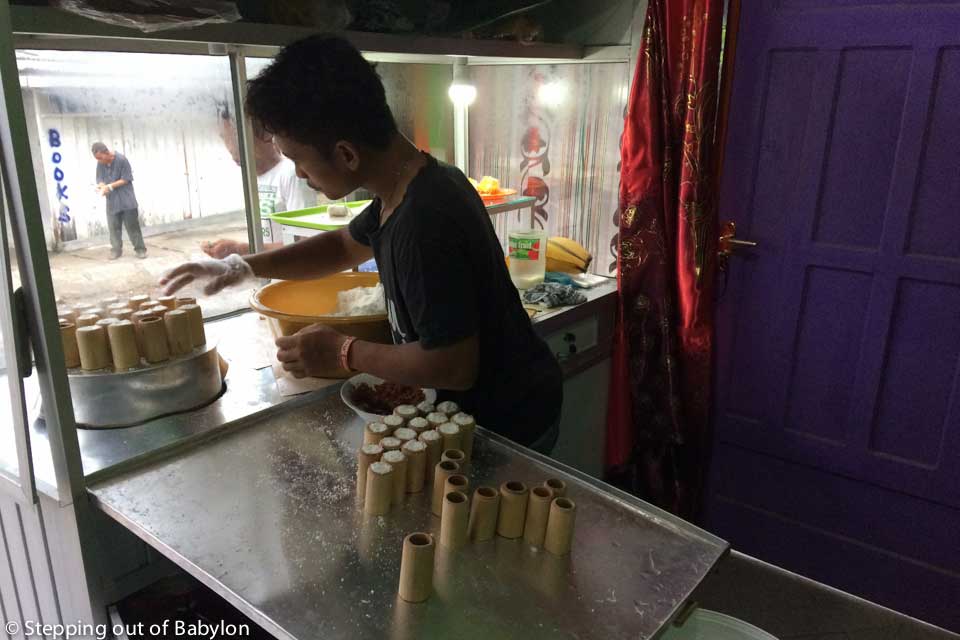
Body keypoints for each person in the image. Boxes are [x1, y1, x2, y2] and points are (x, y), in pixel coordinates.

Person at [160, 35, 563, 452]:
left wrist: (342, 351)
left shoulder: (423, 219)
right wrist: (242, 267)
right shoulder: (410, 183)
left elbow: (453, 365)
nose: (298, 174)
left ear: (346, 154)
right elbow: (339, 247)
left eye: (298, 158)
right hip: (484, 408)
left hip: (508, 424)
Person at [202, 106, 318, 259]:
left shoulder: (292, 174)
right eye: (224, 138)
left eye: (236, 138)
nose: (231, 148)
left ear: (265, 134)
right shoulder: (251, 179)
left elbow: (307, 244)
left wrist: (242, 249)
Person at [92, 142, 147, 259]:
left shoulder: (122, 160)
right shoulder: (100, 163)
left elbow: (126, 179)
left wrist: (110, 186)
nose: (99, 161)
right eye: (97, 159)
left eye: (100, 158)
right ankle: (116, 250)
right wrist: (102, 186)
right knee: (113, 227)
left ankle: (140, 249)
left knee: (132, 227)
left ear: (106, 153)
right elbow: (100, 178)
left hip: (127, 200)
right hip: (112, 200)